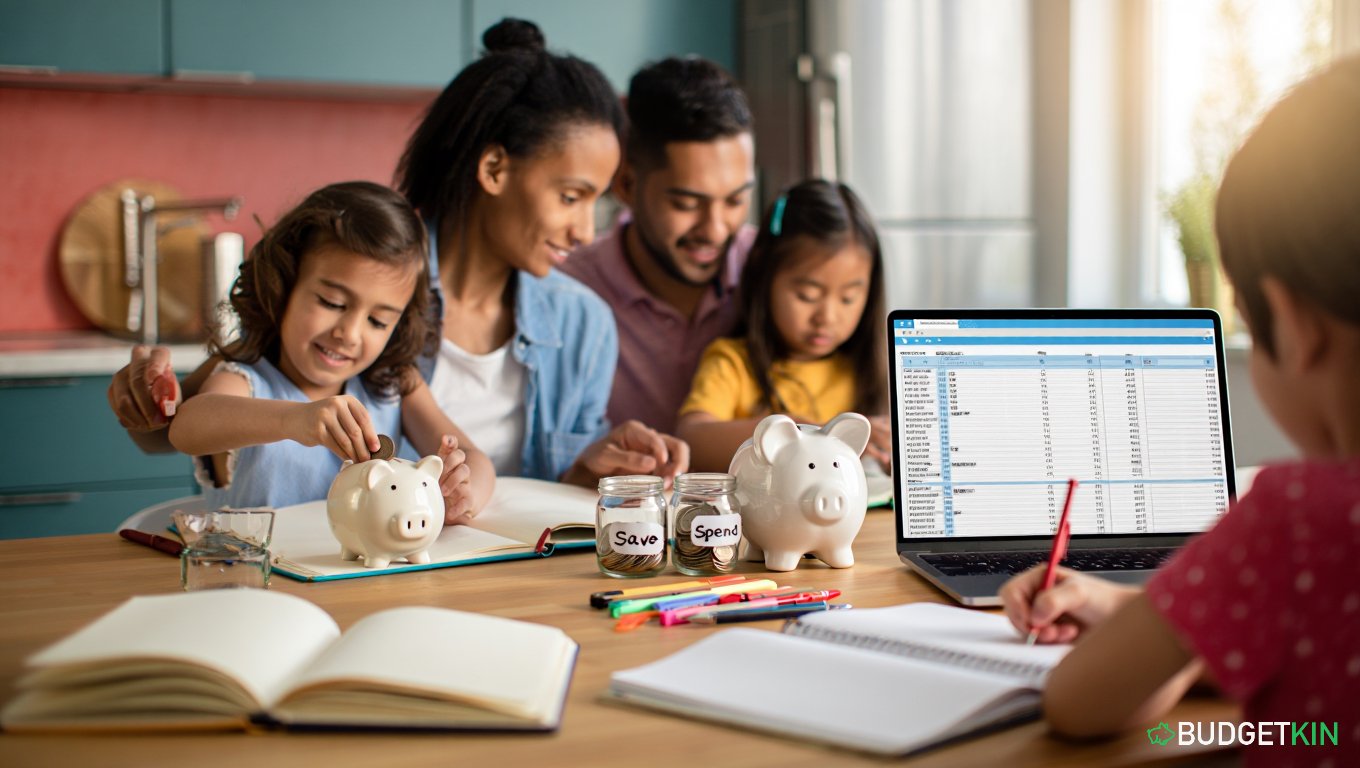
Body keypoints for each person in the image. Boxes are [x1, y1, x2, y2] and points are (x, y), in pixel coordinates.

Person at [109, 19, 687, 488]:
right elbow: (184, 423)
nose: (586, 230)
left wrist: (595, 470)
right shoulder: (368, 267)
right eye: (569, 197)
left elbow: (534, 492)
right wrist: (145, 404)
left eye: (596, 204)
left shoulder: (582, 322)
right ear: (493, 169)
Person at [999, 58, 1360, 766]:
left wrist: (1199, 640)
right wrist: (1143, 612)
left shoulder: (1296, 518)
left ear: (1291, 323)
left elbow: (1077, 703)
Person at [168, 181, 493, 519]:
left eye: (378, 321)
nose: (349, 334)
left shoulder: (391, 384)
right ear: (284, 285)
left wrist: (464, 493)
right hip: (260, 570)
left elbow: (475, 458)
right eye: (332, 302)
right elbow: (187, 428)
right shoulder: (247, 381)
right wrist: (297, 419)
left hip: (371, 573)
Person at [559, 56, 757, 435]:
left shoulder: (778, 271)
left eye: (735, 201)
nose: (715, 230)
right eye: (686, 203)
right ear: (627, 185)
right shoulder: (568, 292)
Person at [675, 179, 890, 472]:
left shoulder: (869, 370)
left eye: (848, 298)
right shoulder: (734, 363)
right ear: (766, 277)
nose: (827, 316)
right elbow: (692, 441)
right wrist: (810, 432)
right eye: (807, 296)